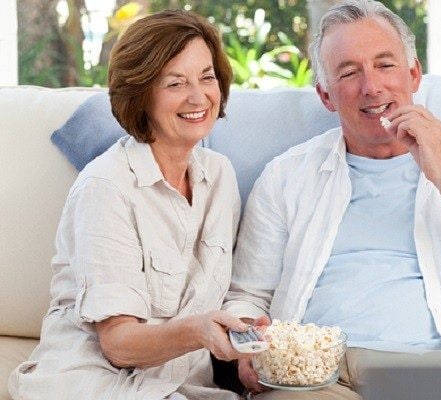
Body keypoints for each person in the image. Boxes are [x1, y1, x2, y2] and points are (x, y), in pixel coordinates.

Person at [224, 0, 441, 398]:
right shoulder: (287, 176)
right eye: (349, 73)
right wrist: (246, 348)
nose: (372, 87)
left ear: (414, 74)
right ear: (326, 96)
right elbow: (248, 296)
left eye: (385, 65)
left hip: (437, 372)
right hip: (316, 374)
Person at [8, 10, 265, 400]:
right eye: (175, 83)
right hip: (94, 384)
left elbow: (225, 295)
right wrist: (198, 331)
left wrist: (246, 347)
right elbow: (119, 344)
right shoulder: (105, 186)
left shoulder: (220, 176)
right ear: (141, 94)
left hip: (182, 385)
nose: (198, 97)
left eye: (207, 77)